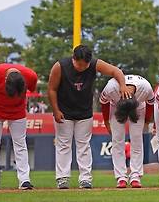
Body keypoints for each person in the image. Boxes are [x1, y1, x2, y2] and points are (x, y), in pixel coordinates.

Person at [48, 44, 129, 189]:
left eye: (85, 65)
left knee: (84, 145)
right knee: (63, 144)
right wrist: (55, 110)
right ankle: (62, 178)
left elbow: (115, 71)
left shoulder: (93, 64)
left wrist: (122, 85)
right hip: (64, 111)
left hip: (84, 112)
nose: (82, 68)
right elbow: (52, 89)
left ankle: (85, 178)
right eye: (79, 65)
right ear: (74, 59)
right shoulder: (60, 66)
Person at [0, 63, 38, 190]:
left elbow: (33, 89)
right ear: (5, 79)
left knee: (20, 144)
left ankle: (24, 179)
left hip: (18, 111)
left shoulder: (30, 76)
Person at [100, 74, 155, 188]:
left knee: (136, 139)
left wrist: (146, 121)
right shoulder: (111, 87)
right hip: (116, 107)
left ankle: (135, 176)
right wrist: (106, 121)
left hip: (139, 108)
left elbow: (150, 103)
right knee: (117, 140)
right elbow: (104, 102)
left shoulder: (145, 88)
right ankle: (121, 177)